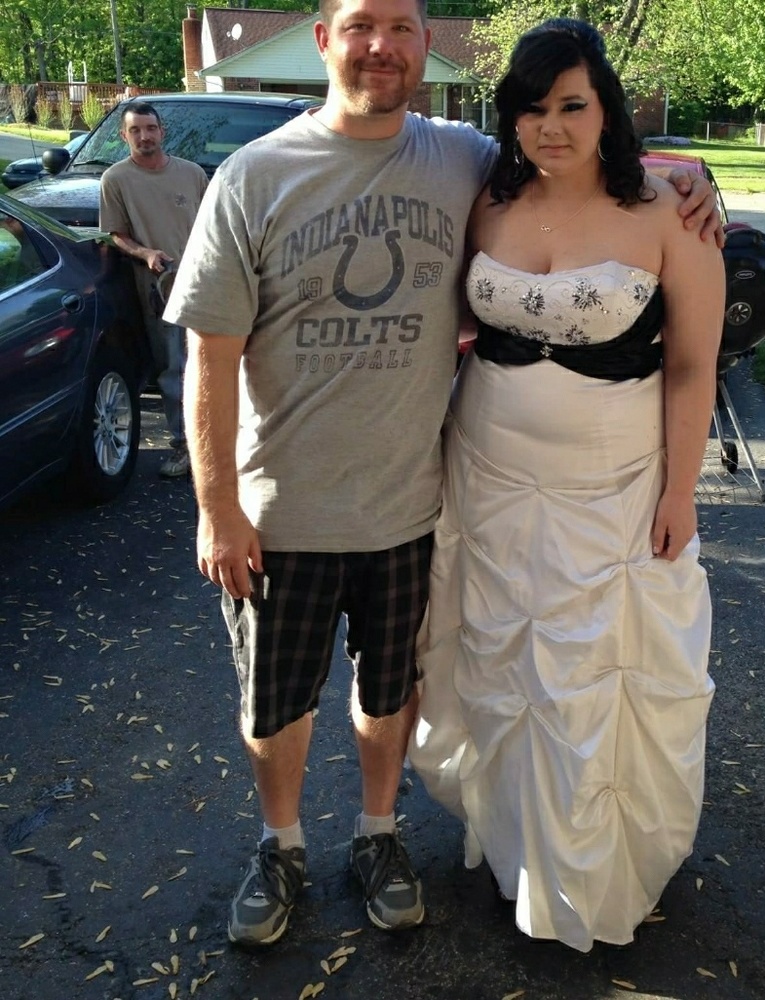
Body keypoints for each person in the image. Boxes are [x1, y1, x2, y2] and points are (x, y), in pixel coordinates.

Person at [163, 0, 722, 948]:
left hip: (428, 496)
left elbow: (594, 181)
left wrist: (692, 168)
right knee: (280, 694)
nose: (380, 45)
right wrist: (216, 505)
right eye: (359, 25)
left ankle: (383, 837)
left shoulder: (457, 158)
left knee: (401, 686)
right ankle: (281, 845)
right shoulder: (265, 175)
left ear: (424, 46)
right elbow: (208, 357)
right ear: (325, 38)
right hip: (314, 496)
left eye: (400, 26)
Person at [408, 18, 725, 952]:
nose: (552, 126)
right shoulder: (485, 198)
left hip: (616, 489)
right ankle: (517, 850)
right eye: (533, 107)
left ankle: (590, 875)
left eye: (573, 105)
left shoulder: (667, 211)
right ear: (509, 117)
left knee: (593, 674)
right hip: (488, 476)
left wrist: (679, 492)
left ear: (606, 110)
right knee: (502, 666)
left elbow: (693, 367)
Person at [99, 102, 207, 478]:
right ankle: (183, 446)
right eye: (135, 130)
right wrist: (145, 253)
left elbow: (214, 226)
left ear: (162, 132)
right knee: (173, 370)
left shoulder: (192, 174)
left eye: (150, 128)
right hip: (159, 287)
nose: (144, 136)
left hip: (205, 283)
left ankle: (222, 444)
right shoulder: (116, 180)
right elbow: (115, 235)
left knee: (217, 363)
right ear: (124, 136)